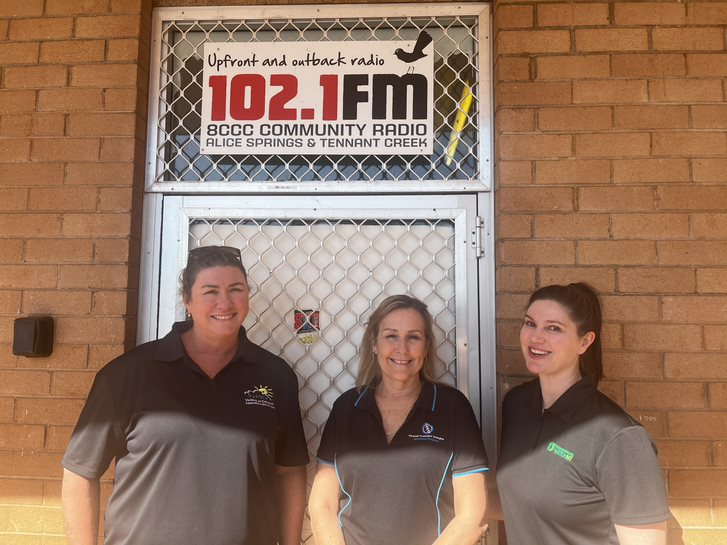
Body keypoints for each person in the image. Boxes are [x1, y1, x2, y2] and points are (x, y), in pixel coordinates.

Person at [61, 245, 309, 545]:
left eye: (235, 289)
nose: (225, 302)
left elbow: (289, 473)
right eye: (210, 291)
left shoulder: (275, 376)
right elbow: (80, 474)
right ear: (187, 300)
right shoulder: (127, 375)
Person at [494, 282, 670, 545]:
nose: (535, 337)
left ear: (585, 341)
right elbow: (519, 500)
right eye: (530, 323)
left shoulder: (619, 437)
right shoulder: (516, 405)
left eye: (554, 328)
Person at [309, 295, 488, 545]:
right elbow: (322, 505)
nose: (402, 349)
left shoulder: (452, 407)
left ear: (426, 347)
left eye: (413, 337)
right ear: (374, 343)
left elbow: (471, 514)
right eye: (391, 336)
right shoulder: (348, 407)